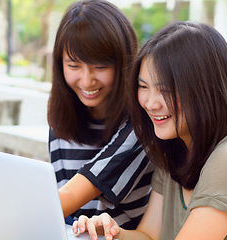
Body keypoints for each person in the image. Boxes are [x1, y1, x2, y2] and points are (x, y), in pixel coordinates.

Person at [72, 21, 227, 240]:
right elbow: (149, 236)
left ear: (205, 91)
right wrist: (111, 233)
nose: (151, 103)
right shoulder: (175, 147)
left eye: (165, 90)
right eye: (143, 87)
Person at [47, 0, 154, 230]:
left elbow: (73, 195)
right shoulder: (62, 120)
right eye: (74, 66)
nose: (87, 81)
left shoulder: (143, 121)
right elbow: (65, 212)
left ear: (123, 63)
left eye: (100, 67)